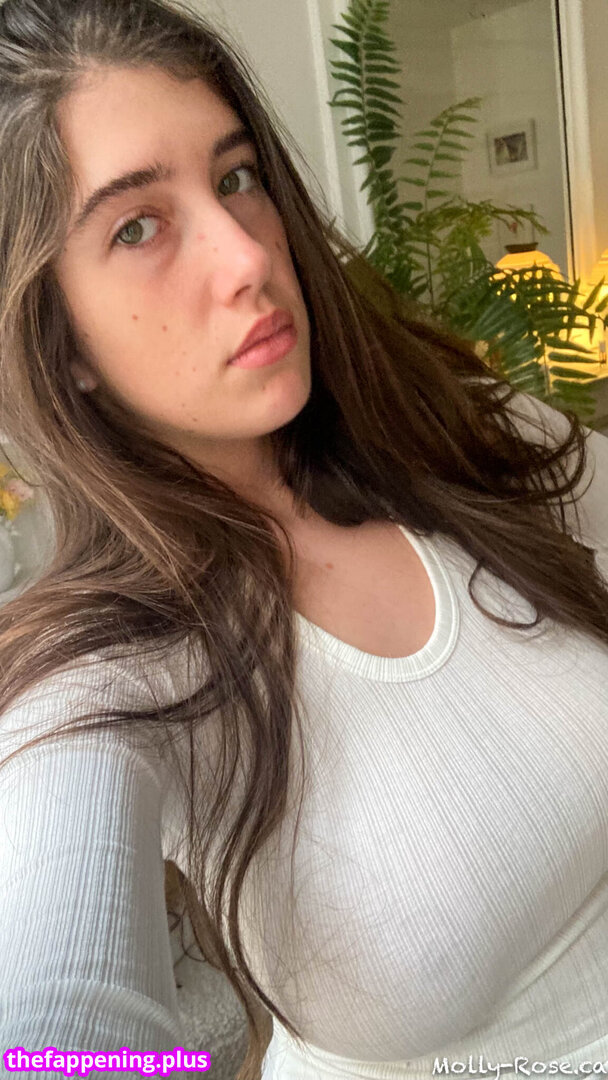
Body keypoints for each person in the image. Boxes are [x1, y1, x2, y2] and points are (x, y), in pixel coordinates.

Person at [0, 1, 607, 1078]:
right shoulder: (105, 675)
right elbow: (54, 1029)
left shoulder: (459, 432)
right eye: (136, 227)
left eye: (236, 177)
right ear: (62, 344)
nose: (246, 252)